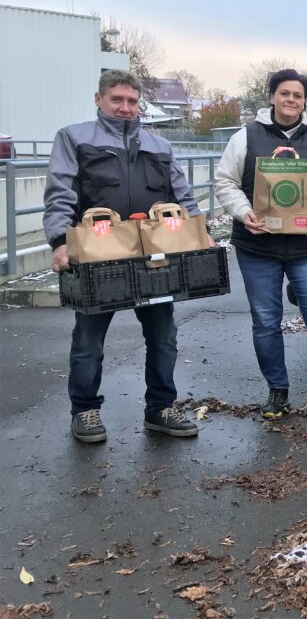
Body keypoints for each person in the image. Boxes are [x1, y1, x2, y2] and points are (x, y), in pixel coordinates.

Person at [44, 70, 207, 443]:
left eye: (132, 101)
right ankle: (84, 411)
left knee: (163, 335)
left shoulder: (159, 146)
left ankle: (160, 408)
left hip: (154, 257)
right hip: (97, 256)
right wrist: (59, 241)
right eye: (117, 99)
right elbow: (61, 193)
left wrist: (200, 233)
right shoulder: (74, 138)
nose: (125, 108)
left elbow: (181, 194)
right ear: (98, 99)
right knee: (89, 341)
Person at [214, 69, 307, 425]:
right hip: (257, 246)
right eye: (284, 93)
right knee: (265, 322)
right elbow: (226, 182)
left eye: (298, 95)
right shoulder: (245, 137)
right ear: (272, 97)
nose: (291, 100)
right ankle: (277, 392)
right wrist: (244, 213)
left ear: (305, 101)